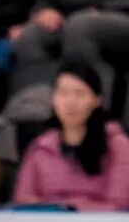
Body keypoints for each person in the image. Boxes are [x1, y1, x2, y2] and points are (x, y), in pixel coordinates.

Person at [14, 63, 129, 210]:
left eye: (79, 94)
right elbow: (22, 201)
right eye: (63, 93)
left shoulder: (119, 146)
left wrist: (70, 210)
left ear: (97, 100)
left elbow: (120, 205)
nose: (70, 102)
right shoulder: (40, 147)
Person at [15, 0, 129, 71]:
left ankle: (83, 92)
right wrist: (44, 10)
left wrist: (104, 7)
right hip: (69, 18)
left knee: (80, 26)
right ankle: (42, 92)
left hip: (119, 15)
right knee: (31, 35)